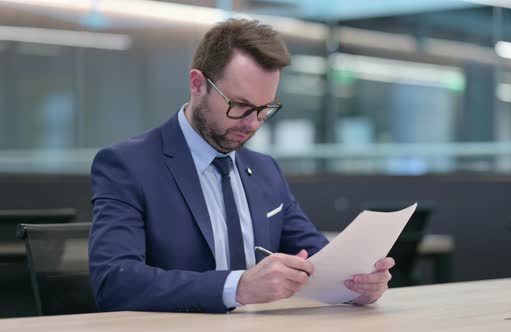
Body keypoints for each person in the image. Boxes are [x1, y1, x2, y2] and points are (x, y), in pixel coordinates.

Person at [89, 18, 394, 313]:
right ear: (198, 84)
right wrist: (238, 287)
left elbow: (320, 261)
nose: (252, 123)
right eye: (240, 106)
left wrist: (357, 284)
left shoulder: (266, 171)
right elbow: (115, 282)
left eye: (265, 108)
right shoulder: (128, 165)